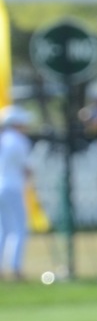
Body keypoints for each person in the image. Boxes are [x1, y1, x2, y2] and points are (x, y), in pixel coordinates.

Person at [0, 105, 36, 282]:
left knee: (3, 229)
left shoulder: (3, 139)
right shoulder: (19, 140)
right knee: (19, 228)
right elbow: (26, 168)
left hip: (1, 185)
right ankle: (15, 268)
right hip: (12, 187)